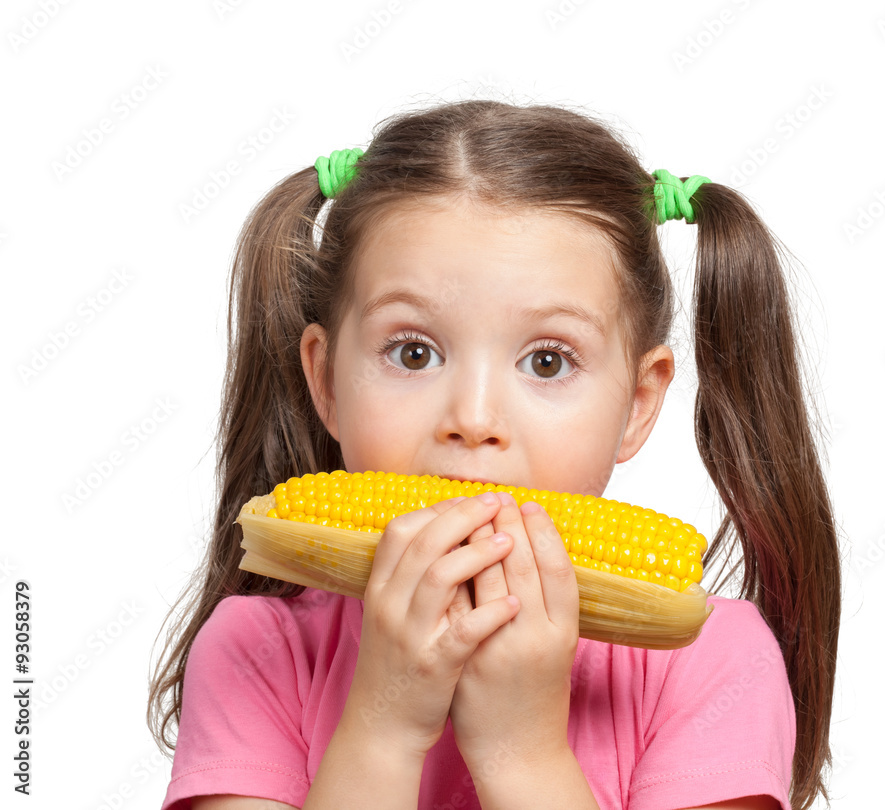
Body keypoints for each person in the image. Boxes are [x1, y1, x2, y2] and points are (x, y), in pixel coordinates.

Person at [148, 100, 841, 810]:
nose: (473, 420)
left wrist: (521, 753)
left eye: (546, 362)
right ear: (326, 380)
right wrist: (383, 731)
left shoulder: (713, 664)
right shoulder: (254, 654)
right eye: (413, 352)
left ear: (637, 403)